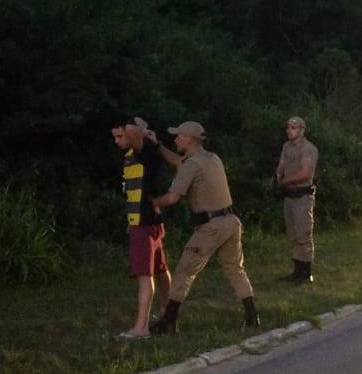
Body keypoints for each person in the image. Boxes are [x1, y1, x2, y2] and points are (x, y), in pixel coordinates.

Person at [150, 121, 260, 334]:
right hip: (231, 222)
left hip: (211, 227)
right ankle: (252, 316)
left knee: (184, 271)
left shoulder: (192, 165)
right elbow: (178, 161)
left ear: (189, 139)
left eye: (179, 136)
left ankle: (169, 322)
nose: (175, 139)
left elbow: (172, 198)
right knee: (234, 268)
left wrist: (152, 203)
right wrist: (157, 145)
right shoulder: (211, 158)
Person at [111, 117, 175, 340]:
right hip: (151, 222)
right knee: (161, 270)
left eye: (120, 136)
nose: (117, 140)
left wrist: (142, 129)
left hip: (144, 224)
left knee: (144, 275)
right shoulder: (141, 154)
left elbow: (131, 127)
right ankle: (167, 314)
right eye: (115, 137)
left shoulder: (143, 152)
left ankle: (141, 328)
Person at [275, 115, 319, 283]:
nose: (289, 130)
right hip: (289, 195)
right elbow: (282, 164)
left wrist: (284, 181)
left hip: (302, 196)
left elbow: (305, 173)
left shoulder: (308, 148)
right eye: (288, 127)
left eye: (293, 128)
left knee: (303, 234)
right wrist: (278, 177)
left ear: (301, 130)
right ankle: (296, 271)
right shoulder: (286, 146)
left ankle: (306, 273)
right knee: (292, 234)